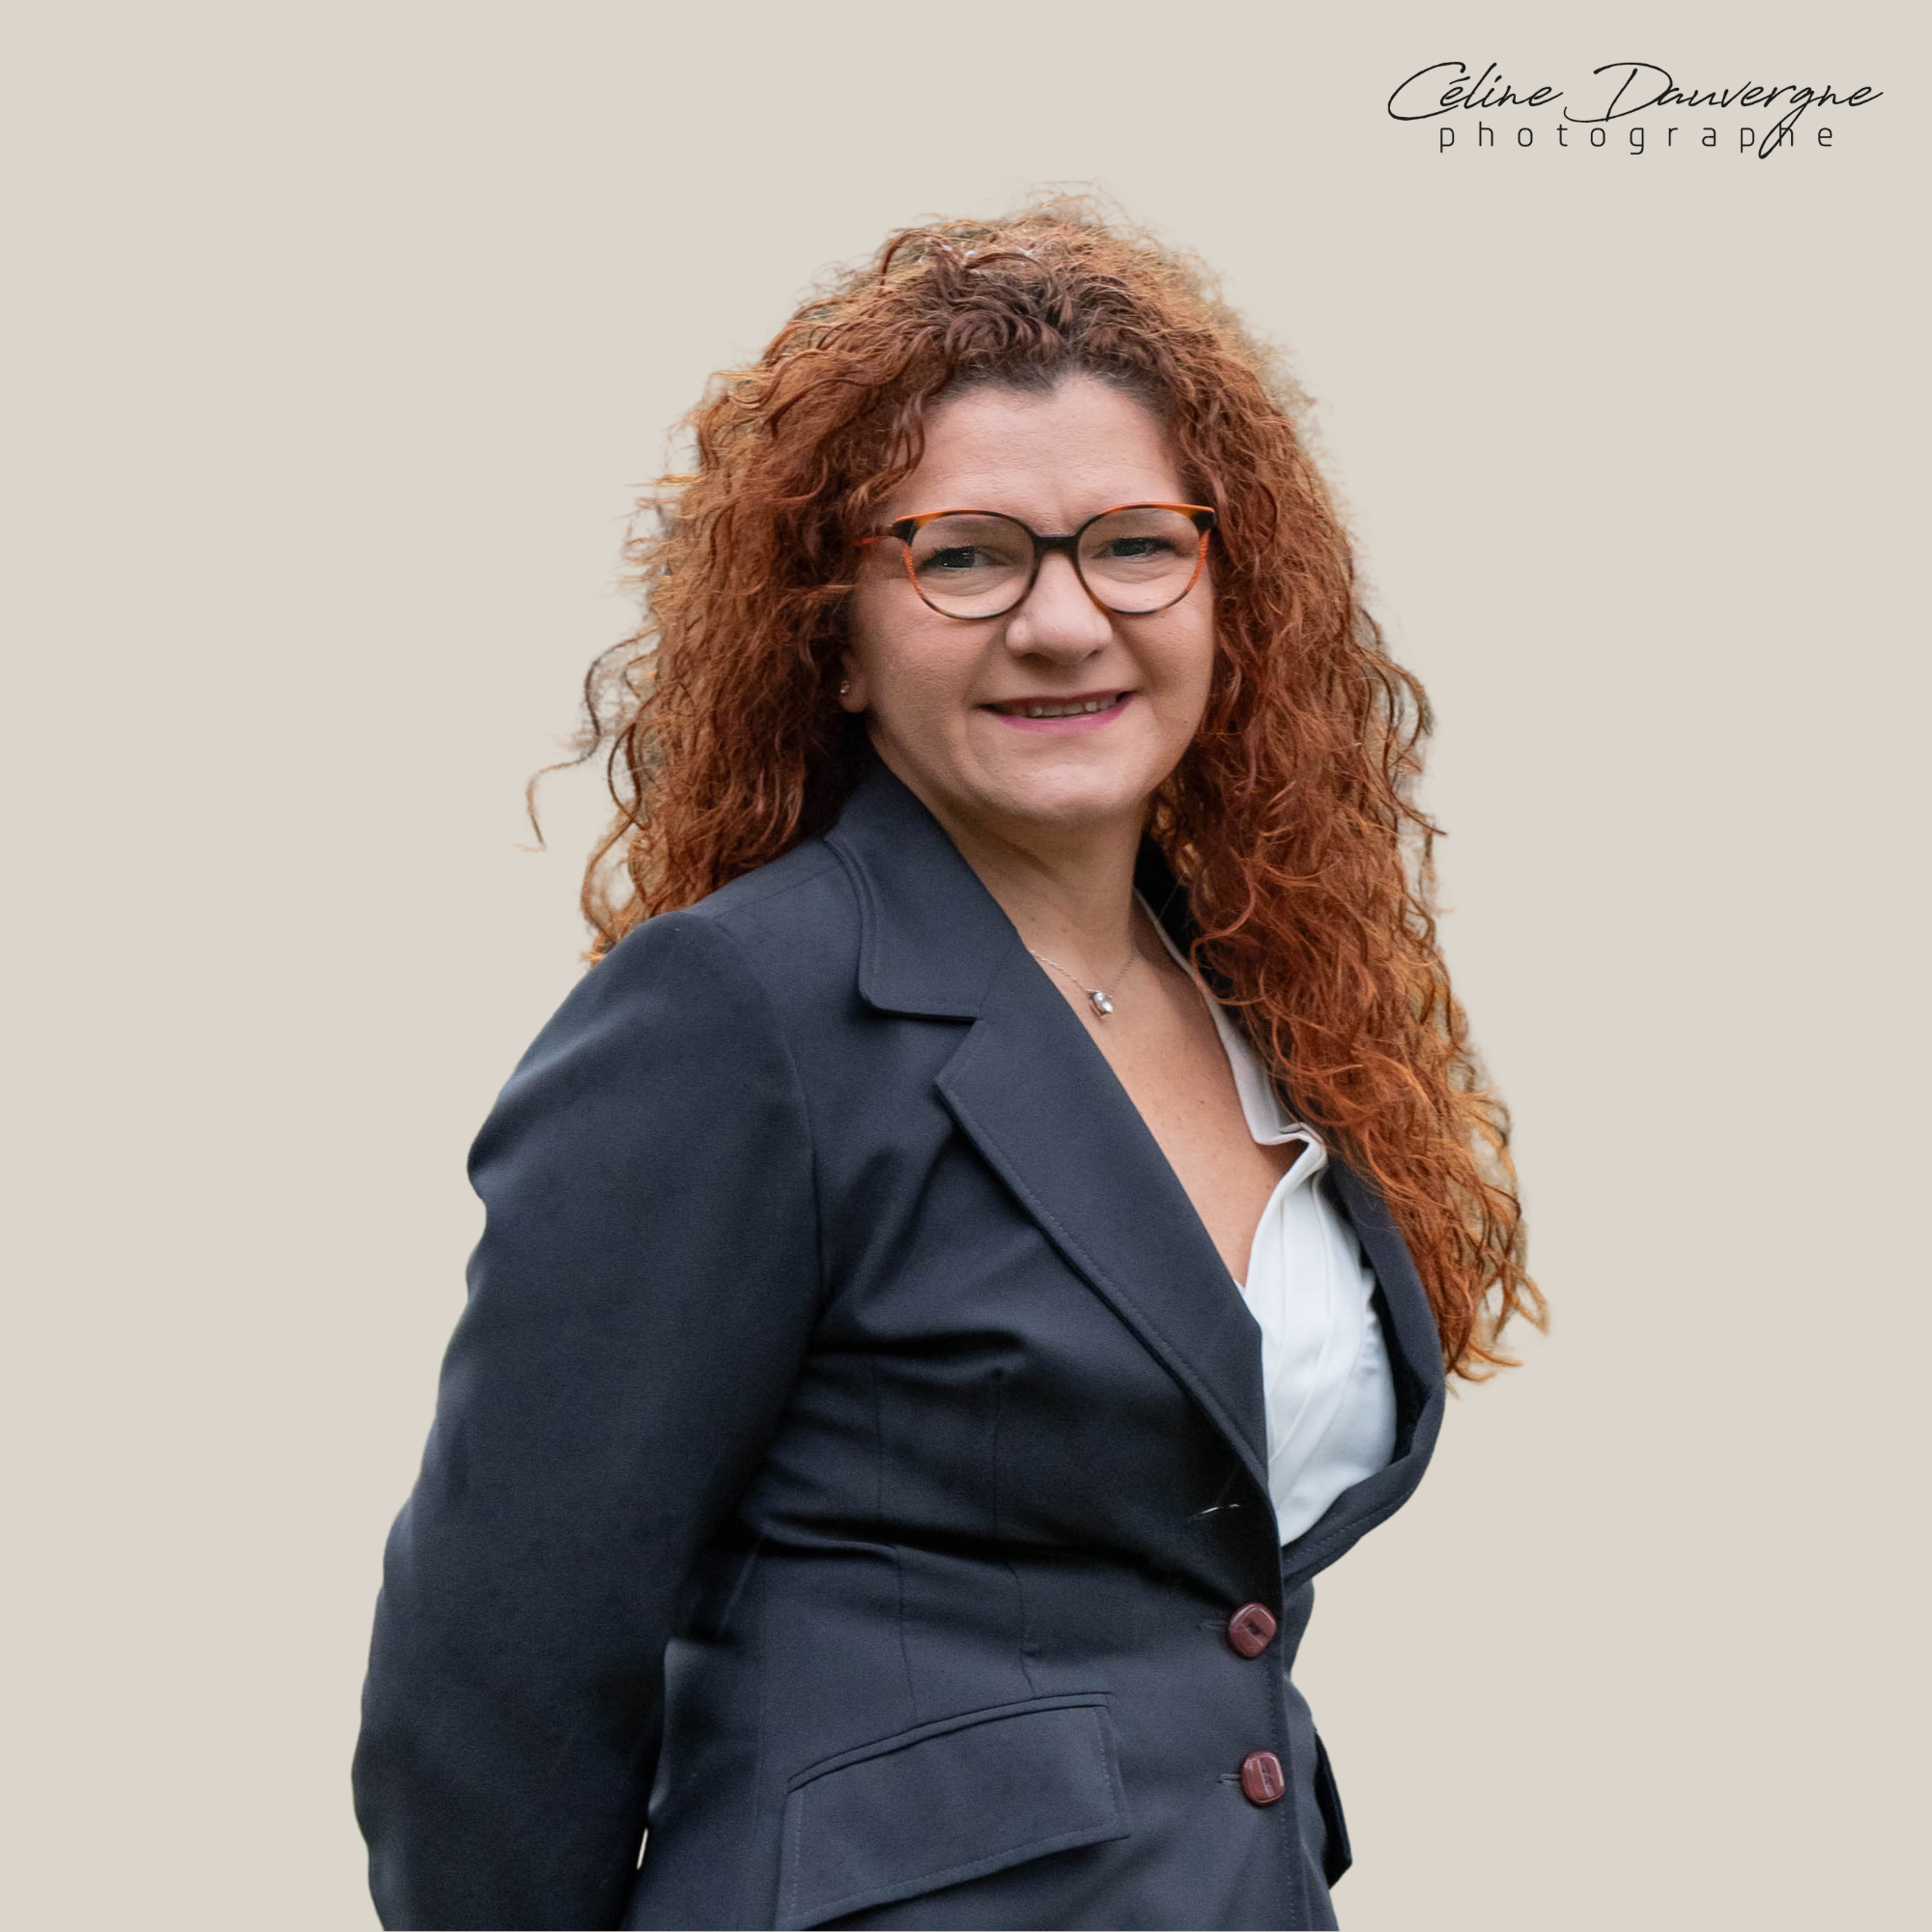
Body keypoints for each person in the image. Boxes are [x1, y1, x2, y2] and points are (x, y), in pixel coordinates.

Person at [353, 200, 1541, 1931]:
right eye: (966, 557)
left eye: (1135, 545)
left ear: (1228, 594)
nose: (1064, 622)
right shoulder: (735, 1018)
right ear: (834, 636)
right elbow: (493, 1681)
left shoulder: (1261, 998)